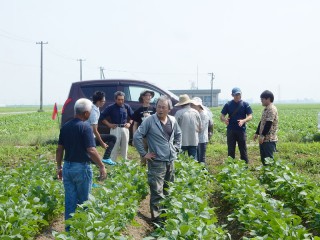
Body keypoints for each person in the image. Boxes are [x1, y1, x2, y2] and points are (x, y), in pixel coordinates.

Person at [56, 98, 106, 231]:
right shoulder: (85, 127)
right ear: (85, 113)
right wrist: (101, 165)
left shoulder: (65, 127)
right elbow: (91, 150)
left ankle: (69, 230)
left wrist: (59, 167)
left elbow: (59, 149)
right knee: (83, 201)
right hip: (81, 168)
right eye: (89, 112)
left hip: (67, 167)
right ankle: (81, 231)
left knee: (70, 200)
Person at [133, 95, 182, 224]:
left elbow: (178, 134)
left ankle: (166, 215)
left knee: (168, 189)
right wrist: (144, 154)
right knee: (157, 191)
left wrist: (176, 147)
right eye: (158, 107)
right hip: (157, 162)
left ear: (169, 109)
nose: (160, 110)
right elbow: (137, 136)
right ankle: (157, 220)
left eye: (163, 107)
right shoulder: (149, 121)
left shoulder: (172, 120)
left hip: (170, 161)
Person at [220, 87, 253, 163]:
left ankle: (245, 166)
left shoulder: (245, 104)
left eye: (239, 94)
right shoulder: (228, 104)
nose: (238, 96)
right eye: (236, 95)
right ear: (232, 95)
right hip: (231, 130)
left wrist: (243, 120)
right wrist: (224, 120)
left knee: (243, 149)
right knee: (231, 149)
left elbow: (250, 116)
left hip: (241, 130)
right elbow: (221, 116)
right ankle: (231, 166)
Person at [100, 91, 134, 161]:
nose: (121, 101)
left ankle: (123, 165)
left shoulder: (126, 106)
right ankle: (113, 165)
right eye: (119, 99)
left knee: (125, 148)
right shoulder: (111, 107)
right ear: (115, 99)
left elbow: (133, 116)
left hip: (125, 129)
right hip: (115, 129)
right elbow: (101, 117)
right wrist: (109, 124)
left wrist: (129, 123)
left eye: (122, 99)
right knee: (114, 148)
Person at [86, 91, 117, 165]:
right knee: (93, 160)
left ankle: (106, 158)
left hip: (91, 136)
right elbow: (94, 130)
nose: (104, 102)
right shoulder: (93, 112)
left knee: (112, 138)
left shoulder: (95, 107)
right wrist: (102, 143)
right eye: (103, 101)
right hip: (88, 137)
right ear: (98, 101)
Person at [254, 90, 278, 165]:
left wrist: (262, 135)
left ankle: (271, 175)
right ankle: (265, 174)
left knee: (269, 160)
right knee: (264, 159)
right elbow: (262, 122)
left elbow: (269, 123)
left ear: (268, 99)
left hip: (269, 139)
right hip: (264, 139)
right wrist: (257, 133)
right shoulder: (266, 109)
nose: (261, 101)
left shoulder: (272, 109)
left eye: (262, 100)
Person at [132, 89, 156, 166]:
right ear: (143, 97)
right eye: (147, 95)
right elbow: (135, 124)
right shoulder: (138, 110)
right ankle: (142, 173)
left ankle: (152, 171)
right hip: (142, 136)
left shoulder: (154, 109)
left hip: (152, 136)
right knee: (143, 156)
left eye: (150, 95)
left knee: (153, 155)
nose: (149, 97)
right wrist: (134, 137)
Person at [174, 94, 202, 159]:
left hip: (182, 141)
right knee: (193, 162)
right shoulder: (196, 112)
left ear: (181, 104)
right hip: (194, 141)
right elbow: (200, 128)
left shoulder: (178, 113)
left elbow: (174, 128)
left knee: (180, 161)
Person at [191, 97, 210, 164]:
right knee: (197, 159)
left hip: (202, 140)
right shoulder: (197, 113)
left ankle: (204, 173)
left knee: (201, 159)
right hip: (197, 139)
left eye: (193, 105)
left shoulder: (203, 114)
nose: (192, 107)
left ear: (199, 106)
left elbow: (200, 128)